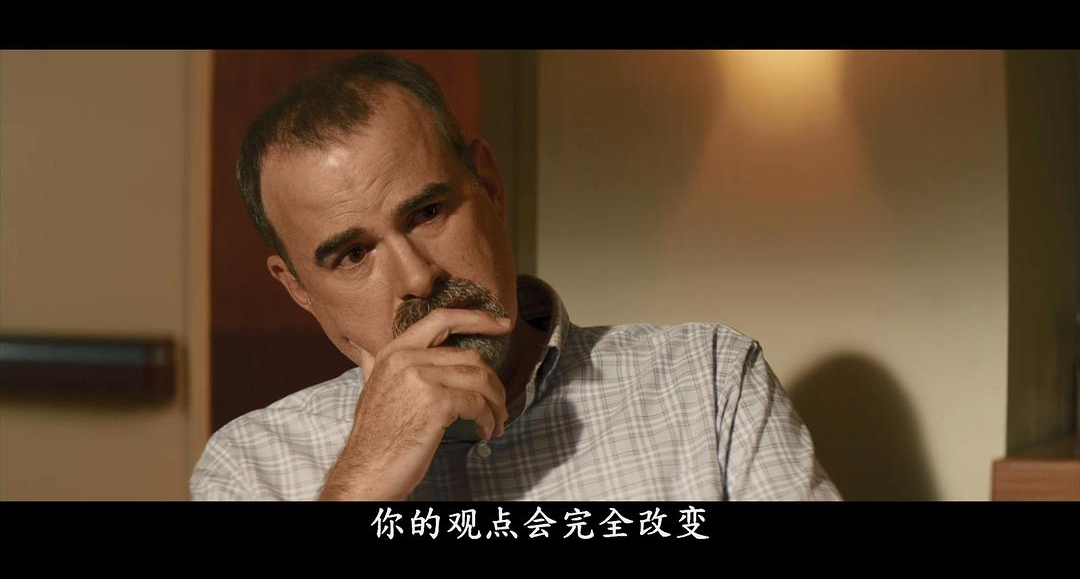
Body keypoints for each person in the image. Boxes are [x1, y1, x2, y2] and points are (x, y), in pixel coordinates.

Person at [190, 52, 841, 501]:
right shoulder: (249, 466)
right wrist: (361, 481)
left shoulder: (707, 379)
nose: (417, 277)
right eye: (354, 254)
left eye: (428, 213)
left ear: (491, 186)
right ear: (298, 289)